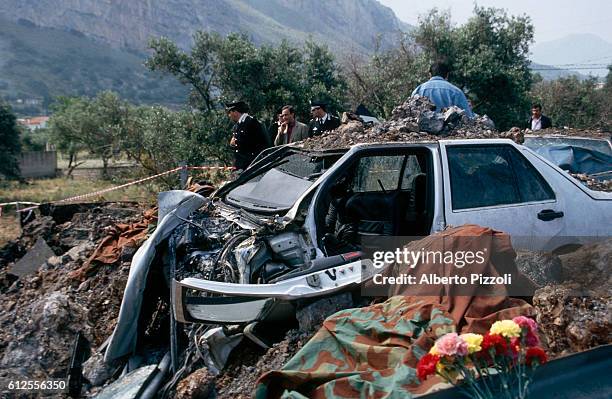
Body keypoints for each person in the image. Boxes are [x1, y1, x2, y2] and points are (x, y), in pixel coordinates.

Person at [226, 101, 270, 170]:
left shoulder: (252, 122)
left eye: (229, 112)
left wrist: (237, 142)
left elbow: (259, 144)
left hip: (252, 164)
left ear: (235, 112)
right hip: (242, 165)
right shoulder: (237, 126)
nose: (229, 115)